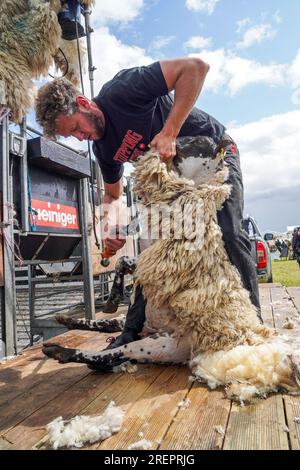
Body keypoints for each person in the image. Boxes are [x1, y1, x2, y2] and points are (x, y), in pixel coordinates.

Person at [35, 58, 263, 347]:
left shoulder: (122, 91)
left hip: (214, 152)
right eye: (74, 136)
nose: (82, 138)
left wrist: (169, 131)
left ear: (83, 103)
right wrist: (110, 225)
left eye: (77, 128)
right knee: (154, 254)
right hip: (176, 178)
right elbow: (113, 194)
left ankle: (256, 325)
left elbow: (195, 68)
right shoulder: (103, 148)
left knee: (229, 232)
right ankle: (131, 331)